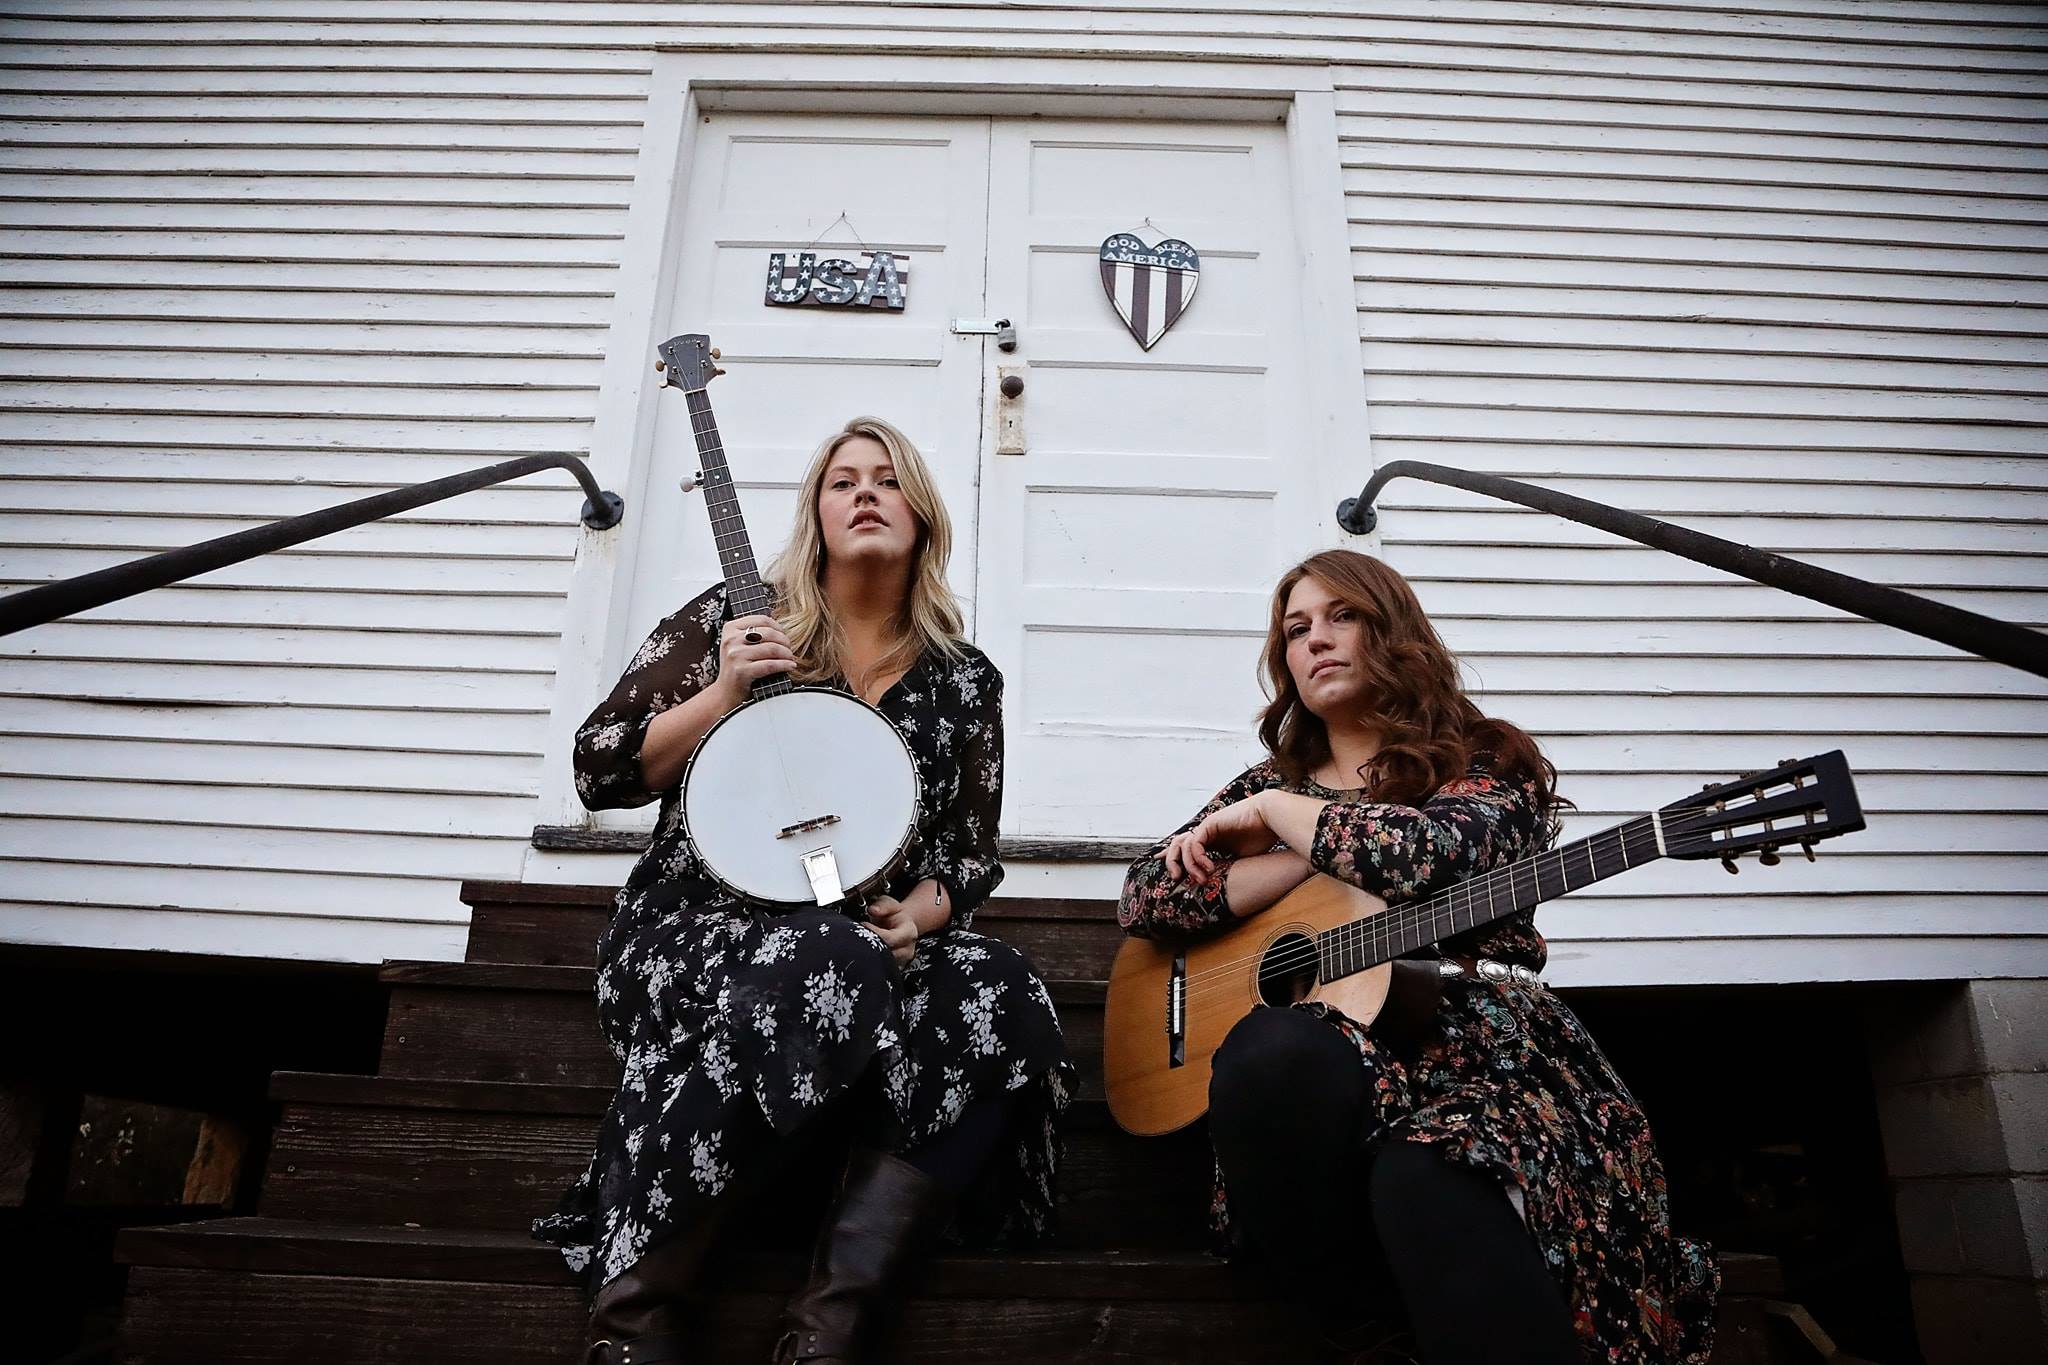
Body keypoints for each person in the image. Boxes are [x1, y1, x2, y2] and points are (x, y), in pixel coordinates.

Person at [536, 417, 1073, 1365]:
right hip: (695, 924)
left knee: (1000, 984)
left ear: (922, 512)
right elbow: (600, 768)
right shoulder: (736, 622)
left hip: (861, 936)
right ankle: (637, 1319)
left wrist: (916, 917)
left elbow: (967, 857)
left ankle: (829, 1329)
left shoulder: (963, 680)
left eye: (888, 479)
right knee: (829, 953)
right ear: (815, 513)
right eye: (842, 480)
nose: (865, 493)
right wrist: (721, 695)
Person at [1117, 549, 1717, 1364]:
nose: (1315, 639)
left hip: (1480, 1059)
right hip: (1334, 1086)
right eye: (1296, 629)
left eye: (1342, 616)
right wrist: (1296, 847)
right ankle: (1364, 1328)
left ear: (1392, 629)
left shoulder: (1480, 758)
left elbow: (1433, 854)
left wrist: (1282, 816)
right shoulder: (1273, 783)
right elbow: (1147, 894)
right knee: (1272, 1048)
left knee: (1426, 1175)